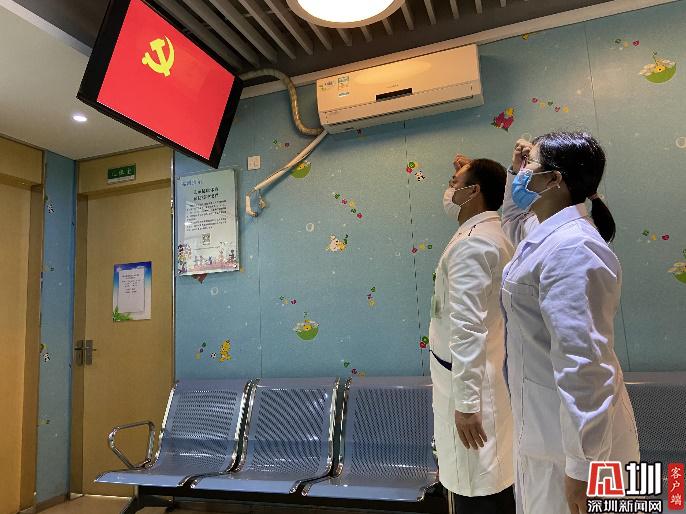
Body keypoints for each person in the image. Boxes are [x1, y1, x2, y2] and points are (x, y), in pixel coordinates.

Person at [501, 132, 640, 514]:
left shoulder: (573, 249)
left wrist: (583, 468)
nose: (522, 173)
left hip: (575, 452)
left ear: (554, 179)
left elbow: (584, 365)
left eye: (530, 166)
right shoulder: (544, 232)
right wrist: (516, 170)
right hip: (546, 434)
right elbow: (512, 220)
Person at [430, 154, 516, 513]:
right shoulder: (492, 233)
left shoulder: (473, 244)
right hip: (478, 375)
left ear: (474, 191)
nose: (449, 189)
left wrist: (466, 406)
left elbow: (467, 327)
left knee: (476, 485)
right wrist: (471, 169)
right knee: (488, 478)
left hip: (469, 389)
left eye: (455, 183)